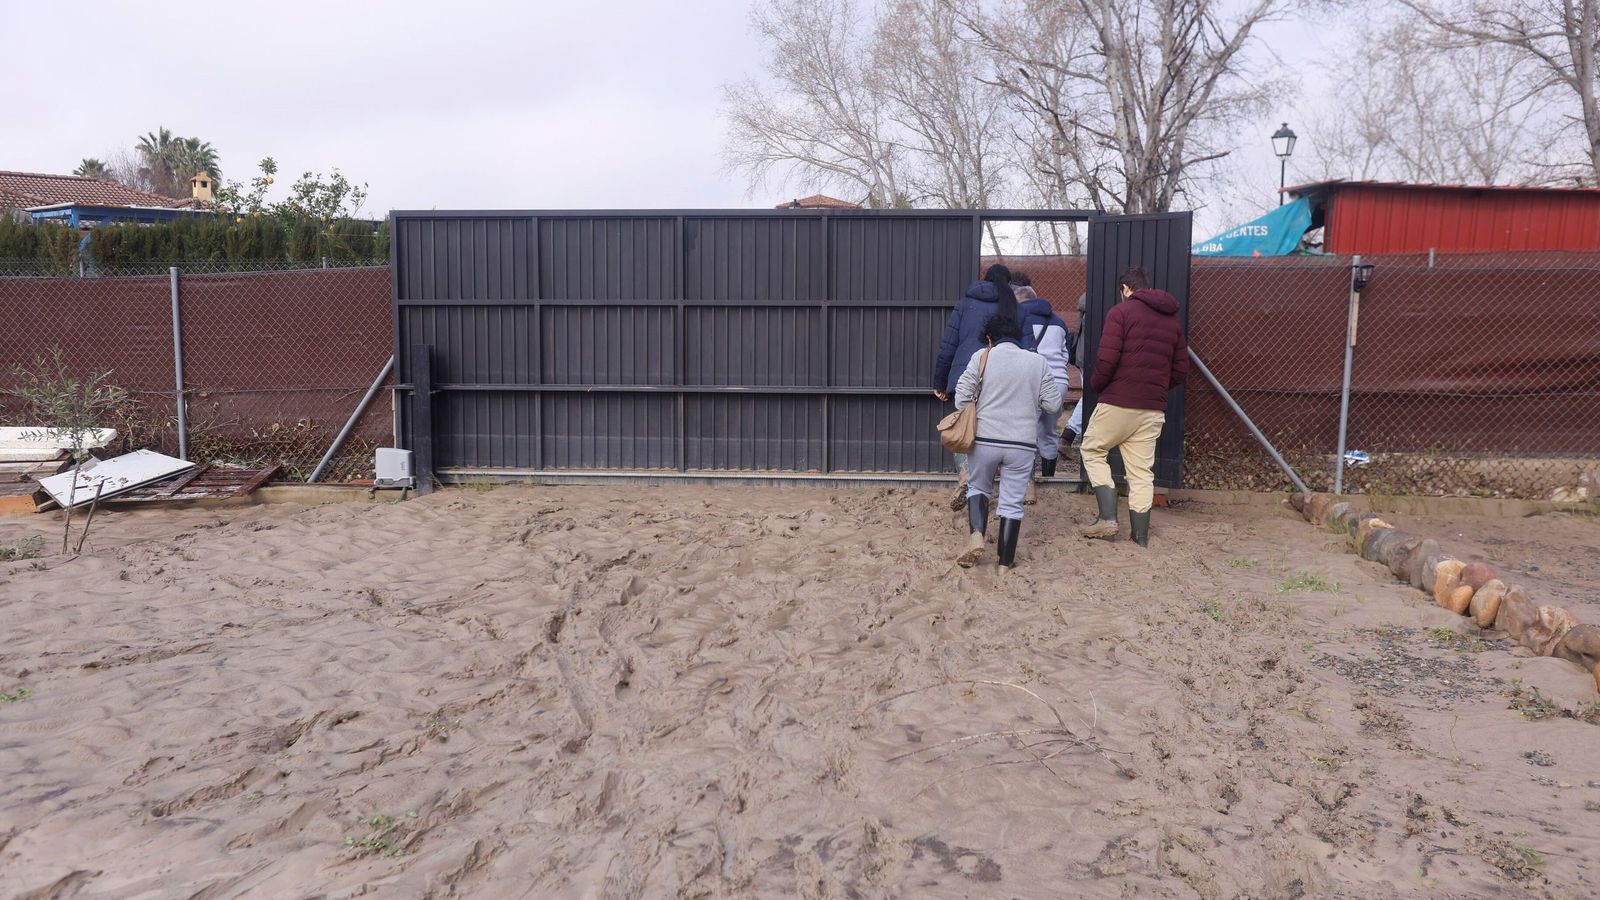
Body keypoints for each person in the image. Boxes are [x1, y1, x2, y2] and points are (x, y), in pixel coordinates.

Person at [1079, 267, 1189, 547]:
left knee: (1092, 450)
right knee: (1141, 473)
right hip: (1152, 409)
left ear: (1126, 288)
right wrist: (1156, 389)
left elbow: (1106, 360)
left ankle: (1107, 518)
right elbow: (1180, 370)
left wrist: (1097, 384)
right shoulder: (1172, 322)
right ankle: (1140, 537)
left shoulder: (1121, 313)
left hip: (1118, 401)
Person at [952, 290, 1062, 570]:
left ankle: (977, 535)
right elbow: (1052, 404)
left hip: (985, 440)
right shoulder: (1037, 363)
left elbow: (960, 398)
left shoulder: (982, 357)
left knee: (978, 486)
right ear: (1018, 337)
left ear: (990, 338)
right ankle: (1004, 564)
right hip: (1022, 445)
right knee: (1013, 502)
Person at [934, 264, 1014, 511]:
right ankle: (985, 482)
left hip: (964, 371)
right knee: (991, 427)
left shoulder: (965, 303)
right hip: (1000, 373)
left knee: (961, 423)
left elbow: (949, 344)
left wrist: (941, 382)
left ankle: (966, 474)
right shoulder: (1010, 304)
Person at [1013, 272, 1072, 479]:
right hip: (1058, 382)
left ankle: (1026, 481)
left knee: (1025, 430)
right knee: (1049, 431)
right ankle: (1049, 478)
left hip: (1030, 380)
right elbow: (1066, 354)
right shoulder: (1059, 322)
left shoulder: (1017, 319)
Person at [1060, 293, 1088, 450]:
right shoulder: (1103, 297)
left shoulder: (1086, 299)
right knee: (1090, 397)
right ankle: (1068, 435)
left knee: (1089, 396)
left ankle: (1068, 435)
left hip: (1082, 354)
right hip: (1091, 355)